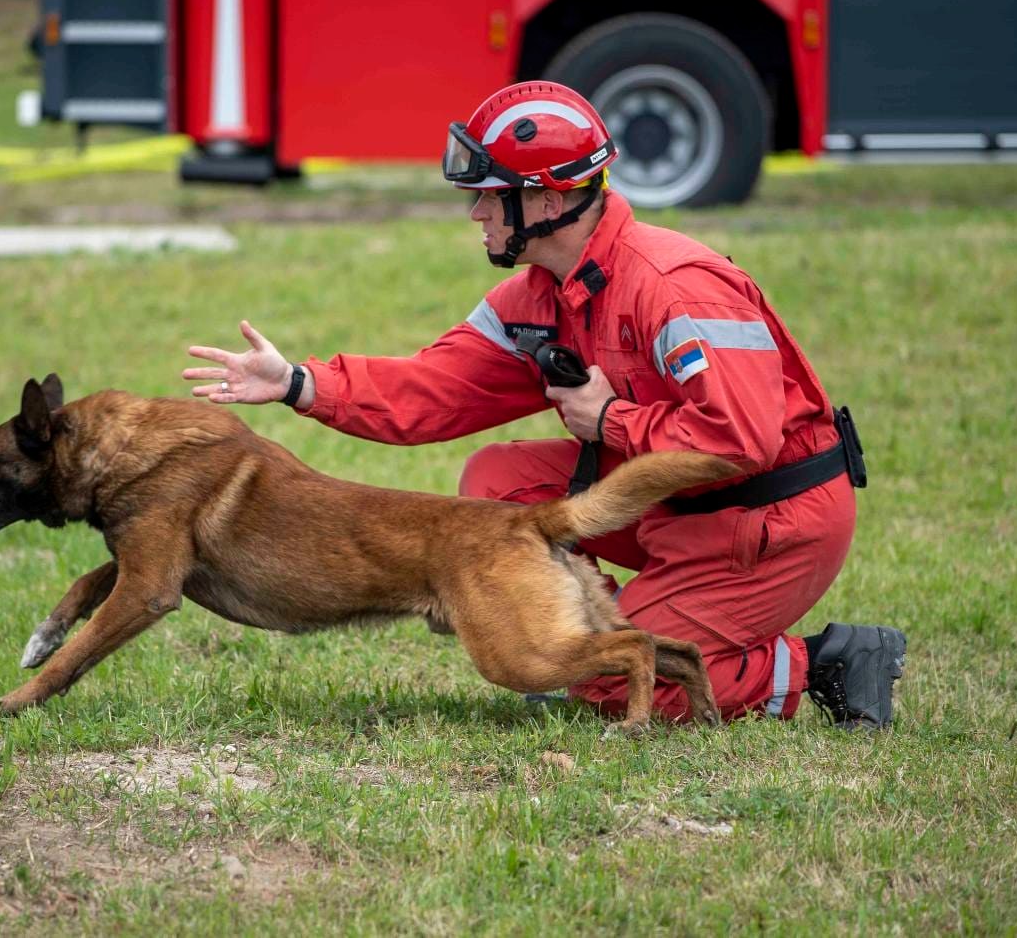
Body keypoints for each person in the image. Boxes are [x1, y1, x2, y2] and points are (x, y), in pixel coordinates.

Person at [183, 81, 906, 729]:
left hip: (769, 517)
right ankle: (580, 635)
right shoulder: (541, 292)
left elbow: (742, 439)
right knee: (496, 486)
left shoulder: (674, 287)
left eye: (490, 195)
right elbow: (434, 387)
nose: (476, 212)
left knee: (612, 681)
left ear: (548, 202)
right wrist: (299, 383)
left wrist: (612, 421)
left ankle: (818, 664)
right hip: (672, 499)